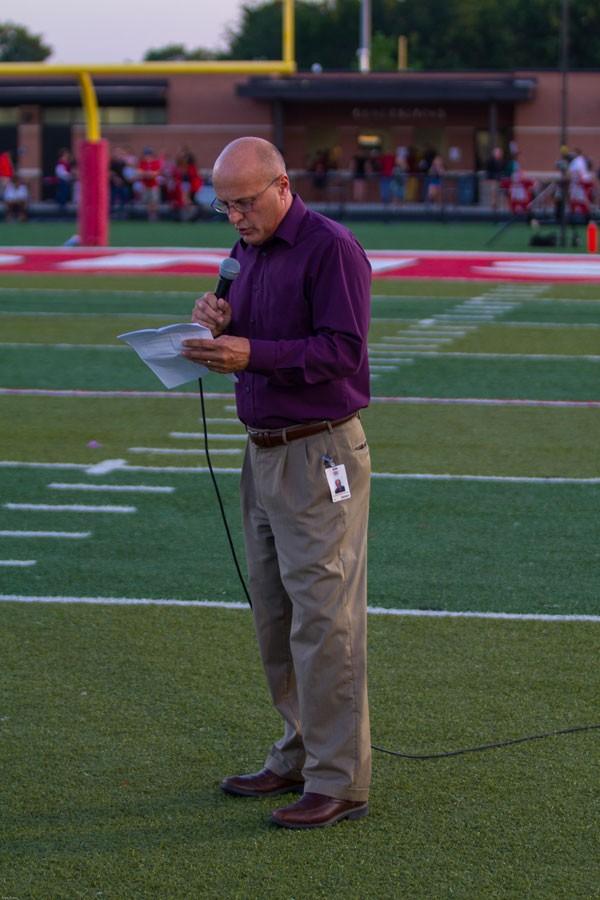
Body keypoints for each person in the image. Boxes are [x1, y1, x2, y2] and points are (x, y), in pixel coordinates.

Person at [182, 136, 372, 830]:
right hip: (261, 454)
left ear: (282, 186)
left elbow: (342, 350)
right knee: (276, 615)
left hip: (318, 453)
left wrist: (251, 351)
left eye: (244, 202)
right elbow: (260, 335)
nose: (234, 217)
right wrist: (221, 323)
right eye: (223, 206)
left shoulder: (331, 248)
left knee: (324, 619)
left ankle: (339, 779)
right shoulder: (247, 253)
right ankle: (296, 751)